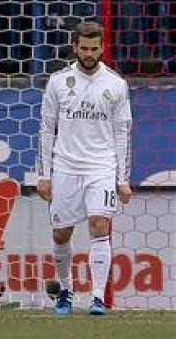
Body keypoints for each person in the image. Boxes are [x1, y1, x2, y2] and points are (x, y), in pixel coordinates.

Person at [36, 21, 133, 316]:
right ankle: (65, 290)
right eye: (84, 48)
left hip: (101, 166)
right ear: (75, 47)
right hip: (65, 165)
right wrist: (43, 175)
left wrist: (123, 179)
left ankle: (98, 298)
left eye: (94, 48)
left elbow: (122, 132)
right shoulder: (57, 81)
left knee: (99, 225)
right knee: (61, 235)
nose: (89, 54)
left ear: (102, 47)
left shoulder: (116, 84)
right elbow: (46, 129)